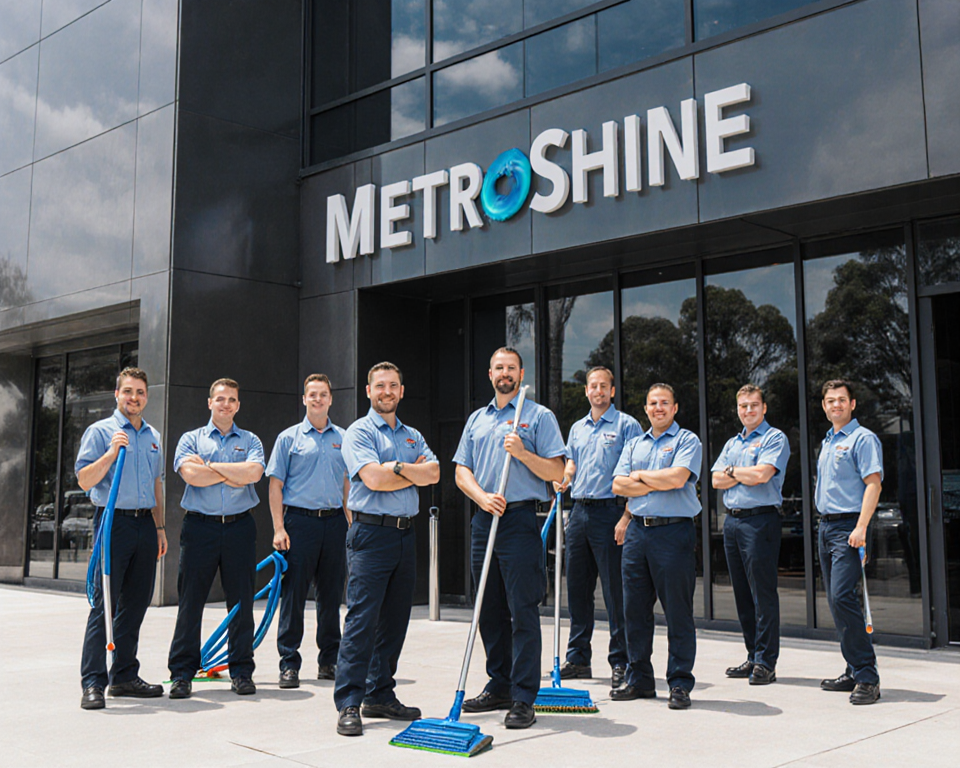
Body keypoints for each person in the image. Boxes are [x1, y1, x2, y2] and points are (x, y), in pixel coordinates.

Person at [454, 347, 566, 730]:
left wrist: (521, 453)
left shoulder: (537, 416)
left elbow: (557, 471)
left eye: (511, 368)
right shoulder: (477, 419)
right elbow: (461, 471)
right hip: (485, 518)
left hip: (519, 520)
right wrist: (482, 497)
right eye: (499, 367)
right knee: (489, 609)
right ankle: (499, 683)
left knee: (523, 610)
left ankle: (522, 697)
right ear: (490, 374)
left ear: (521, 373)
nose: (505, 373)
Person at [334, 362, 439, 737]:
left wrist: (394, 467)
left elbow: (435, 473)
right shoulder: (358, 432)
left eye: (393, 385)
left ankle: (380, 693)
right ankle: (349, 701)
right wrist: (407, 469)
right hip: (370, 536)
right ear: (368, 391)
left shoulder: (412, 434)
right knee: (362, 621)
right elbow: (373, 479)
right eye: (380, 385)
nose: (387, 391)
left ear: (401, 390)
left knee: (395, 621)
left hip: (404, 535)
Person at [167, 378, 265, 699]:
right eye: (220, 399)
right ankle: (182, 674)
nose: (226, 404)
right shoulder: (190, 439)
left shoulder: (251, 440)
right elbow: (191, 475)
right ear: (209, 403)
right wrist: (231, 471)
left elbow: (253, 474)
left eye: (232, 400)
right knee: (191, 602)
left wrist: (210, 466)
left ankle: (241, 671)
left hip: (239, 528)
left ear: (238, 405)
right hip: (199, 529)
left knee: (241, 603)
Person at [76, 367, 167, 710]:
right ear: (117, 394)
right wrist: (111, 454)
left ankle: (125, 676)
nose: (134, 398)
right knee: (106, 605)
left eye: (140, 392)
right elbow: (85, 479)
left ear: (146, 396)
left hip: (145, 525)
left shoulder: (153, 435)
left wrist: (159, 528)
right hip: (112, 522)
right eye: (128, 391)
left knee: (136, 604)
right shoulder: (101, 431)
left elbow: (157, 485)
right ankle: (93, 682)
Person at [611, 383, 702, 710]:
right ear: (646, 409)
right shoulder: (634, 443)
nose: (658, 408)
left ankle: (679, 683)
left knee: (677, 612)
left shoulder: (687, 440)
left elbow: (678, 479)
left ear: (675, 407)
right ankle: (640, 679)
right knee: (633, 610)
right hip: (637, 533)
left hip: (673, 534)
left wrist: (640, 479)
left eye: (665, 403)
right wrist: (655, 479)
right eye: (653, 403)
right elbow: (617, 484)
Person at [555, 366, 641, 689]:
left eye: (604, 386)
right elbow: (572, 464)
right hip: (579, 512)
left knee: (615, 592)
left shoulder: (626, 426)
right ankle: (578, 658)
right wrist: (563, 478)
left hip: (611, 513)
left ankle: (620, 660)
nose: (598, 391)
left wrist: (626, 517)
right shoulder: (577, 428)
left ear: (613, 391)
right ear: (586, 391)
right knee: (577, 589)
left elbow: (635, 475)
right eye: (593, 386)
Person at [267, 374, 350, 689]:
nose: (318, 399)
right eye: (312, 394)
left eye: (323, 394)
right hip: (299, 524)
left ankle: (329, 661)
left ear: (331, 399)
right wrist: (278, 528)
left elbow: (347, 484)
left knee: (330, 597)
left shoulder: (344, 437)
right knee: (294, 596)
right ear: (304, 399)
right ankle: (289, 663)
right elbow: (275, 485)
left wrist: (351, 522)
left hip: (334, 523)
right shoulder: (288, 438)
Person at [710, 384, 790, 686]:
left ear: (764, 408)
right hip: (732, 523)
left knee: (763, 593)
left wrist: (733, 472)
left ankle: (766, 662)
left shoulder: (774, 438)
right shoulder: (732, 443)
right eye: (743, 406)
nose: (748, 411)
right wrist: (739, 472)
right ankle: (753, 654)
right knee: (742, 593)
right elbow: (716, 480)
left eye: (753, 405)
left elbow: (762, 475)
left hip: (761, 522)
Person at [815, 379, 883, 705]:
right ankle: (853, 669)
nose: (836, 405)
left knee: (843, 597)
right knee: (836, 602)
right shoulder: (828, 440)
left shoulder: (862, 439)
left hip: (848, 528)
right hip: (825, 528)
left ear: (852, 404)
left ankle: (868, 677)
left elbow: (873, 485)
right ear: (824, 406)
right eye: (830, 401)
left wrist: (861, 527)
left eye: (842, 400)